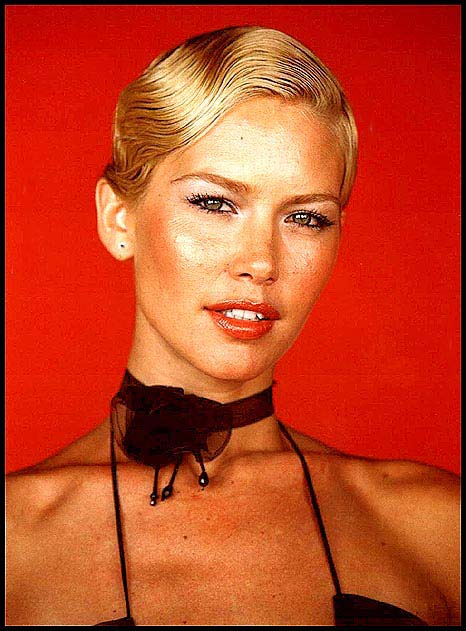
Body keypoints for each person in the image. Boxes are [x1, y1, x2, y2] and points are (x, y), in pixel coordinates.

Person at [6, 25, 460, 626]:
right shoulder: (14, 542)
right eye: (214, 203)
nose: (262, 262)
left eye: (306, 218)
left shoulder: (439, 529)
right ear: (118, 218)